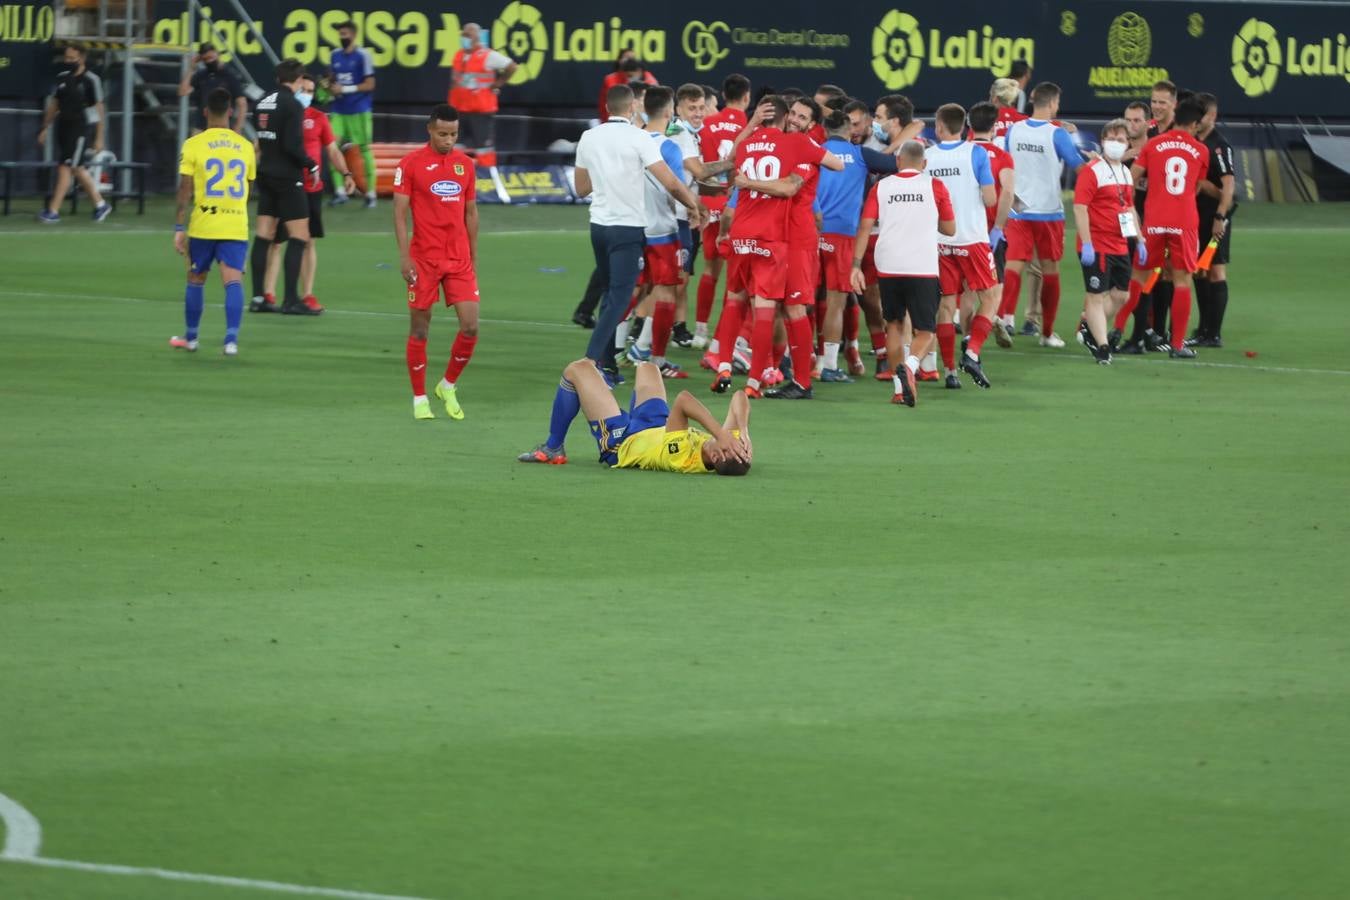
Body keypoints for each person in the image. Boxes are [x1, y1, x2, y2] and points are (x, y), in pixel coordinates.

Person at [574, 84, 702, 384]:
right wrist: (693, 205)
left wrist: (608, 175)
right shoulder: (639, 137)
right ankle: (591, 362)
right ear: (632, 107)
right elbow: (671, 183)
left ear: (607, 108)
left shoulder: (589, 136)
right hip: (628, 228)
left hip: (598, 227)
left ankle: (608, 366)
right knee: (619, 298)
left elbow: (581, 188)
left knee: (610, 296)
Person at [711, 96, 837, 400]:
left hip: (796, 240)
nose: (794, 119)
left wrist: (748, 183)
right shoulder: (784, 146)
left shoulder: (804, 151)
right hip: (774, 236)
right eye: (792, 113)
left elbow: (791, 187)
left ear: (812, 124)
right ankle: (769, 370)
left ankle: (802, 381)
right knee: (769, 307)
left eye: (802, 117)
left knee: (792, 308)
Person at [850, 141, 956, 407]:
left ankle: (899, 390)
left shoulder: (881, 187)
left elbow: (865, 227)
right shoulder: (935, 186)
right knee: (925, 330)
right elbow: (950, 229)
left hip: (889, 265)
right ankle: (910, 366)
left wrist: (855, 265)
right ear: (924, 164)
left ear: (898, 162)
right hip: (922, 266)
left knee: (894, 325)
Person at [393, 105, 481, 420]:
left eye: (454, 134)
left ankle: (447, 384)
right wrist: (405, 257)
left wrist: (473, 255)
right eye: (443, 134)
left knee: (471, 326)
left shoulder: (465, 166)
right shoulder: (410, 164)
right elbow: (400, 215)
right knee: (420, 329)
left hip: (458, 259)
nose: (448, 140)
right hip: (424, 260)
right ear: (429, 130)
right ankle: (419, 397)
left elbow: (471, 213)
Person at [517, 359, 752, 475]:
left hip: (624, 440)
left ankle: (553, 447)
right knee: (647, 367)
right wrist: (743, 431)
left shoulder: (681, 455)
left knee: (577, 369)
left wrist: (719, 433)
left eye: (726, 443)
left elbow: (683, 400)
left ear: (716, 453)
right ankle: (601, 396)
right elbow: (740, 397)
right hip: (657, 426)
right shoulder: (726, 450)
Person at [999, 82, 1087, 349]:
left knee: (1014, 265)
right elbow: (1078, 166)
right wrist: (1098, 165)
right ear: (1052, 103)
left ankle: (1004, 318)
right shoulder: (1056, 134)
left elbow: (1005, 164)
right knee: (1050, 270)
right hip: (1048, 212)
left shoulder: (1013, 131)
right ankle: (1047, 333)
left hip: (1018, 209)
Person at [261, 74, 357, 314]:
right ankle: (268, 293)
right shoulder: (283, 114)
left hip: (310, 188)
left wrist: (346, 173)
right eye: (303, 89)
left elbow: (332, 150)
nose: (307, 94)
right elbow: (260, 144)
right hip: (285, 184)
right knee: (276, 239)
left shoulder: (319, 118)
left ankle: (307, 295)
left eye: (311, 90)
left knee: (307, 242)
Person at [169, 88, 255, 356]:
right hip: (235, 224)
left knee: (196, 278)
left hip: (205, 223)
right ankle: (231, 341)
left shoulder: (193, 144)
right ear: (230, 112)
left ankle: (192, 338)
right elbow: (249, 185)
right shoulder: (245, 146)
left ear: (205, 112)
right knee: (233, 282)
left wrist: (179, 227)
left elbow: (185, 187)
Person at [1128, 95, 1211, 359]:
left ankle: (1122, 334)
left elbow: (1130, 179)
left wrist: (1130, 212)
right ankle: (1176, 345)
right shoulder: (1202, 150)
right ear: (1196, 124)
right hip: (1184, 221)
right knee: (1182, 281)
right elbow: (1196, 187)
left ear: (1176, 117)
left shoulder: (1153, 144)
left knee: (1138, 278)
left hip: (1153, 220)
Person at [925, 103, 999, 390]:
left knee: (946, 305)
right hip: (972, 238)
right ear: (965, 127)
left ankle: (950, 372)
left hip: (940, 240)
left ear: (940, 127)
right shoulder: (976, 153)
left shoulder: (927, 157)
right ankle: (972, 351)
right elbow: (991, 199)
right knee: (990, 297)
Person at [625, 87, 689, 378]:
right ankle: (657, 361)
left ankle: (610, 356)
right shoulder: (669, 147)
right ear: (668, 111)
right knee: (665, 294)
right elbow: (675, 188)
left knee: (628, 292)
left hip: (632, 228)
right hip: (662, 231)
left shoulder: (629, 141)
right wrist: (696, 206)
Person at [248, 58, 319, 316]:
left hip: (265, 173)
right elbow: (292, 146)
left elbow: (262, 138)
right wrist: (310, 164)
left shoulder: (263, 101)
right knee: (299, 236)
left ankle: (258, 298)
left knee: (264, 235)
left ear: (278, 78)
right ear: (298, 79)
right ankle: (291, 299)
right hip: (288, 177)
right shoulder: (292, 104)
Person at [1072, 119, 1140, 364]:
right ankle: (1102, 346)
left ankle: (1088, 325)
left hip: (1120, 243)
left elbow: (1129, 206)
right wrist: (1087, 243)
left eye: (1120, 140)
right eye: (1111, 139)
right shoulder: (1093, 171)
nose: (1115, 143)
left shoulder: (1124, 172)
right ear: (1102, 142)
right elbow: (1080, 208)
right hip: (1097, 244)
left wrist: (1139, 239)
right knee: (1096, 295)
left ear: (1128, 144)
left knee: (1121, 295)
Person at [692, 73, 752, 350]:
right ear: (747, 97)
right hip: (735, 205)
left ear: (723, 94)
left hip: (709, 202)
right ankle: (720, 340)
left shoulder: (707, 123)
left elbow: (703, 166)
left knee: (709, 270)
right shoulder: (749, 126)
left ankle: (700, 332)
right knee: (735, 277)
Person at [813, 109, 869, 382]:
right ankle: (831, 366)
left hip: (812, 234)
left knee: (804, 302)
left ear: (824, 130)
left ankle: (797, 359)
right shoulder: (860, 155)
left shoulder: (815, 151)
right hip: (843, 237)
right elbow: (898, 162)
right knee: (836, 302)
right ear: (850, 131)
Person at [36, 43, 110, 224]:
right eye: (66, 58)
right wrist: (45, 127)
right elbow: (54, 105)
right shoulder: (62, 78)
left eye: (71, 58)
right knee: (77, 168)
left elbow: (99, 110)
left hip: (81, 129)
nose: (68, 61)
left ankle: (53, 210)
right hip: (63, 128)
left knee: (65, 167)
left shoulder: (91, 80)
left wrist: (99, 138)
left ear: (82, 58)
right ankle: (100, 204)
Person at [967, 101, 1016, 341]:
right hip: (989, 231)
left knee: (965, 291)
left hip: (962, 229)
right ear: (995, 127)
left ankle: (968, 333)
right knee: (993, 290)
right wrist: (999, 227)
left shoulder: (961, 151)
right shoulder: (1001, 156)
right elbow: (1007, 192)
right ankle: (980, 333)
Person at [1190, 92, 1235, 348]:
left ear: (1213, 116)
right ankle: (1204, 328)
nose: (1198, 119)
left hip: (1215, 216)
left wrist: (1220, 215)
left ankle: (1214, 333)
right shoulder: (1193, 142)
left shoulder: (1219, 145)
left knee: (1216, 270)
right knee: (1199, 272)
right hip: (1195, 216)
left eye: (1203, 114)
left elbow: (1229, 186)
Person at [325, 20, 377, 208]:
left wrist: (345, 89)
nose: (342, 37)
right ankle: (340, 192)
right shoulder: (334, 55)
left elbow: (370, 84)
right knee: (332, 148)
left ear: (353, 35)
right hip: (339, 110)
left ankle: (371, 193)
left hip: (359, 110)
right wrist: (328, 86)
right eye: (340, 34)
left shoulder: (363, 55)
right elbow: (332, 79)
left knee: (364, 150)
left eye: (345, 34)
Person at [451, 21, 517, 160]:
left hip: (480, 111)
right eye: (463, 34)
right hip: (459, 109)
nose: (465, 38)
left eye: (468, 35)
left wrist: (498, 83)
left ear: (476, 37)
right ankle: (455, 178)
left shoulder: (488, 55)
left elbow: (512, 66)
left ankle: (486, 177)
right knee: (455, 148)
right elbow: (455, 80)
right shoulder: (459, 55)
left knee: (484, 150)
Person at [177, 43, 247, 133]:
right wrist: (191, 68)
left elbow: (242, 104)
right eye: (205, 59)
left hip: (223, 127)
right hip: (201, 127)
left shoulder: (229, 75)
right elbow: (182, 91)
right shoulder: (202, 75)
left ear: (217, 54)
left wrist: (238, 129)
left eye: (211, 57)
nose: (209, 61)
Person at [597, 54, 655, 122]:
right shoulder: (611, 80)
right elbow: (615, 102)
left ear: (639, 71)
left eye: (630, 75)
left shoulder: (651, 81)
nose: (628, 78)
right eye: (626, 75)